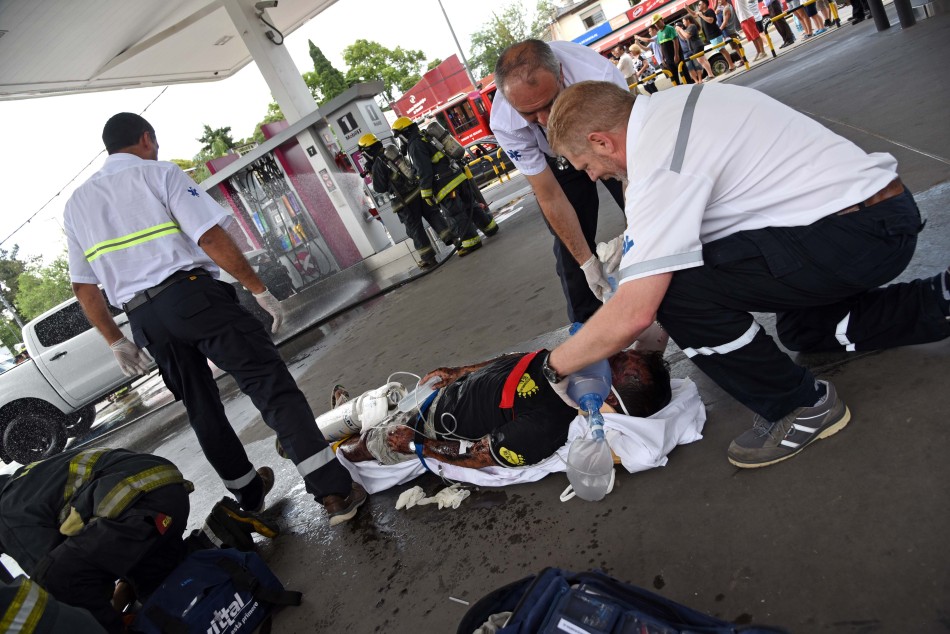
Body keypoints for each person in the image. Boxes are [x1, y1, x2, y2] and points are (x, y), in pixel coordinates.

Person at [544, 81, 949, 469]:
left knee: (678, 290)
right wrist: (641, 345)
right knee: (802, 331)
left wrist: (553, 367)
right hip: (872, 217)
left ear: (601, 141)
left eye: (586, 165)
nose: (592, 176)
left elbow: (638, 310)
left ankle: (800, 408)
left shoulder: (660, 160)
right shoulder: (671, 109)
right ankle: (939, 302)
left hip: (858, 235)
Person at [64, 113, 367, 527]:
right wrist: (258, 288)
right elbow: (208, 235)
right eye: (155, 143)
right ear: (146, 138)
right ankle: (334, 492)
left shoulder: (77, 205)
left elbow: (84, 286)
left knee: (200, 407)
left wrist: (115, 339)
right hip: (191, 295)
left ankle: (248, 493)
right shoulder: (159, 174)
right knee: (269, 385)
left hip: (144, 318)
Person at [0, 447, 279, 633]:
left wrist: (111, 610)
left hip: (139, 508)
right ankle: (224, 527)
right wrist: (125, 587)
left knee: (53, 579)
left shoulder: (7, 514)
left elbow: (62, 590)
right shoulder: (24, 482)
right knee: (162, 595)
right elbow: (86, 555)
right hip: (163, 496)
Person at [337, 345, 672, 469]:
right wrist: (461, 371)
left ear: (610, 398)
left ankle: (337, 454)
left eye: (620, 365)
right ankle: (347, 418)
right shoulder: (566, 365)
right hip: (440, 392)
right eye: (623, 352)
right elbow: (515, 361)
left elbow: (478, 456)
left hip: (428, 424)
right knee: (381, 402)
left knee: (369, 443)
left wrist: (417, 444)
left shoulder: (548, 424)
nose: (610, 354)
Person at [490, 40, 627, 324]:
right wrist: (587, 263)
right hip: (556, 161)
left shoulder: (598, 76)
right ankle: (586, 324)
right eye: (530, 114)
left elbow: (632, 165)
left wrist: (639, 231)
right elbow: (549, 194)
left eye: (551, 103)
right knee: (571, 251)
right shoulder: (504, 122)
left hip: (605, 137)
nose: (545, 119)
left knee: (649, 208)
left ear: (561, 75)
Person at [391, 117, 498, 257]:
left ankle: (472, 243)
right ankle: (490, 228)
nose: (401, 141)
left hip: (445, 186)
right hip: (459, 177)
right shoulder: (425, 136)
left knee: (457, 215)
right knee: (471, 206)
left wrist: (426, 193)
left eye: (400, 137)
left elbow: (424, 171)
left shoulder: (415, 145)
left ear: (404, 133)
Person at [358, 132, 456, 269]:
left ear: (367, 151)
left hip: (405, 202)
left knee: (415, 229)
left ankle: (429, 259)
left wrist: (372, 173)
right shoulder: (391, 152)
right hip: (419, 192)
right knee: (434, 215)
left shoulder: (377, 164)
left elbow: (379, 188)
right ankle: (452, 239)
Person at [687, 0, 739, 72]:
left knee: (722, 50)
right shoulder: (702, 13)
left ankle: (731, 65)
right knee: (721, 50)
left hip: (715, 34)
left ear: (704, 5)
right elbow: (694, 14)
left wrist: (702, 15)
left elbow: (711, 20)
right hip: (711, 36)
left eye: (699, 4)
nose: (698, 6)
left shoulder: (709, 11)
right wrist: (687, 8)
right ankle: (731, 65)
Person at [636, 15, 681, 86]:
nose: (649, 33)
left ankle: (679, 85)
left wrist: (639, 37)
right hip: (661, 61)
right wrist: (638, 44)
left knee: (674, 75)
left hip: (666, 59)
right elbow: (646, 49)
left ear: (654, 30)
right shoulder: (653, 40)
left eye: (650, 31)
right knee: (671, 77)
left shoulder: (657, 36)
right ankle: (677, 85)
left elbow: (648, 40)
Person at [675, 16, 716, 83]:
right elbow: (684, 38)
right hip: (695, 46)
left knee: (701, 61)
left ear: (688, 20)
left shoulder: (692, 26)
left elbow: (687, 36)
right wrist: (679, 31)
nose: (683, 23)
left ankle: (710, 74)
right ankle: (710, 74)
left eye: (684, 21)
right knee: (703, 60)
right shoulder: (689, 27)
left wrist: (680, 29)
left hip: (696, 46)